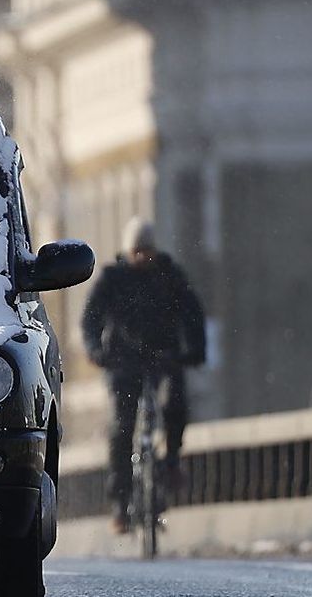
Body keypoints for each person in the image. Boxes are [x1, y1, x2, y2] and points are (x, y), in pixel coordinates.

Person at [81, 218, 206, 534]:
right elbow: (91, 318)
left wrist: (196, 350)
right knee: (122, 427)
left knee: (174, 404)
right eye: (137, 251)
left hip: (164, 358)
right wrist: (96, 350)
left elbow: (192, 313)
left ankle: (173, 461)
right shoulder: (113, 279)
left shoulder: (169, 275)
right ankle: (120, 502)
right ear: (128, 250)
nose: (142, 257)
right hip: (123, 362)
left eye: (147, 250)